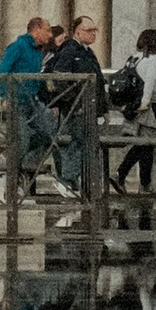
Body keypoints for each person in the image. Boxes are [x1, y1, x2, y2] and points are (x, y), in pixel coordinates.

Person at [44, 18, 106, 189]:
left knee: (83, 142)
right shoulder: (70, 50)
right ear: (78, 32)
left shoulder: (88, 52)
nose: (94, 33)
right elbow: (60, 78)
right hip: (77, 107)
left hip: (89, 106)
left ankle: (75, 182)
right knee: (80, 141)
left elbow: (98, 80)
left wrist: (103, 108)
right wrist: (74, 101)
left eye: (95, 30)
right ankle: (68, 180)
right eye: (89, 30)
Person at [109, 29, 156, 196]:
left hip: (133, 106)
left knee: (144, 145)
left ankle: (143, 184)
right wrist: (145, 103)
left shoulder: (134, 58)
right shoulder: (155, 61)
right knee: (146, 144)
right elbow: (149, 85)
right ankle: (123, 173)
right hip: (149, 106)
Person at [0, 14, 55, 182]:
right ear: (36, 30)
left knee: (49, 134)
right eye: (47, 30)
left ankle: (25, 166)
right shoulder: (17, 47)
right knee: (21, 139)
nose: (50, 35)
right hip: (17, 100)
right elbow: (3, 72)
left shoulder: (39, 51)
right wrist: (4, 96)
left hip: (32, 100)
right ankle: (13, 177)